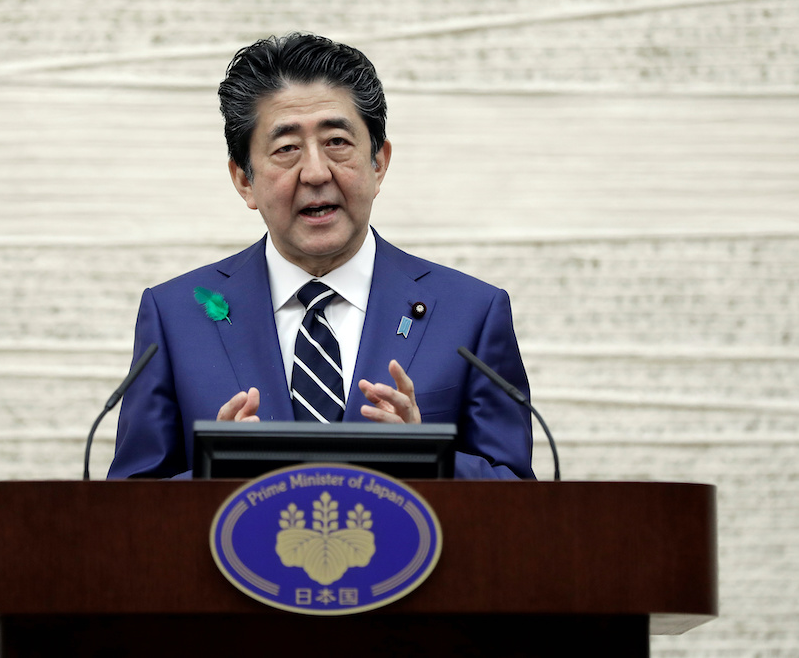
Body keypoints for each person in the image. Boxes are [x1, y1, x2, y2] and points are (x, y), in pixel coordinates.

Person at [108, 33, 534, 480]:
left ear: (378, 163)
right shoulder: (177, 318)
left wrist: (430, 461)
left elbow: (518, 497)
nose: (315, 172)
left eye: (337, 141)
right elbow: (131, 505)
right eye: (286, 148)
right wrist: (213, 481)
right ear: (244, 181)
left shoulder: (471, 315)